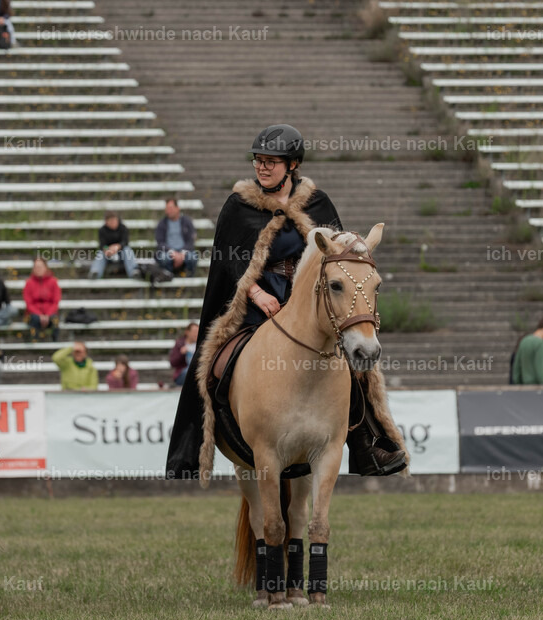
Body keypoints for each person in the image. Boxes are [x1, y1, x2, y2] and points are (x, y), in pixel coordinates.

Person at [166, 124, 408, 478]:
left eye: (271, 162)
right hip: (254, 301)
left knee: (354, 365)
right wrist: (257, 292)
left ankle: (369, 444)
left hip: (308, 303)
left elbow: (337, 256)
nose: (262, 167)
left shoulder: (318, 202)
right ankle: (198, 444)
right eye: (258, 161)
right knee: (213, 365)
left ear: (293, 165)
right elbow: (228, 262)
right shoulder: (238, 207)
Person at [155, 198, 198, 277]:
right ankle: (169, 276)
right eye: (167, 209)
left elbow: (191, 241)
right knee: (164, 258)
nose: (168, 211)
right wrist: (172, 252)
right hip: (168, 252)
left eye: (171, 208)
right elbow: (160, 243)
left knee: (193, 257)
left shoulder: (187, 222)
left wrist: (182, 254)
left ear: (177, 208)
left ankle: (187, 277)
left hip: (184, 252)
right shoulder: (162, 223)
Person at [89, 211, 139, 279]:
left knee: (127, 250)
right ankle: (95, 272)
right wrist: (107, 249)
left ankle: (133, 271)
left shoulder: (123, 228)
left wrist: (117, 246)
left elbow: (125, 242)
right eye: (111, 221)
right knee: (100, 253)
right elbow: (103, 245)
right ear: (106, 222)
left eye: (115, 221)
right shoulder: (102, 230)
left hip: (122, 254)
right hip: (108, 254)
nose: (114, 223)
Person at [23, 256, 60, 341]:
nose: (38, 269)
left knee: (55, 320)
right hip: (34, 314)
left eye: (40, 267)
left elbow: (55, 302)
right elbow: (29, 303)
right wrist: (39, 315)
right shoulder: (29, 283)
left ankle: (55, 342)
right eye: (36, 267)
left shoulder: (53, 282)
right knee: (33, 319)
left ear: (45, 267)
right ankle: (34, 341)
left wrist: (47, 315)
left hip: (50, 313)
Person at [511, 318, 543, 385]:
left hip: (524, 386)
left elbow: (516, 366)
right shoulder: (541, 343)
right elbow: (540, 368)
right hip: (536, 386)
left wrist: (517, 383)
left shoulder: (524, 341)